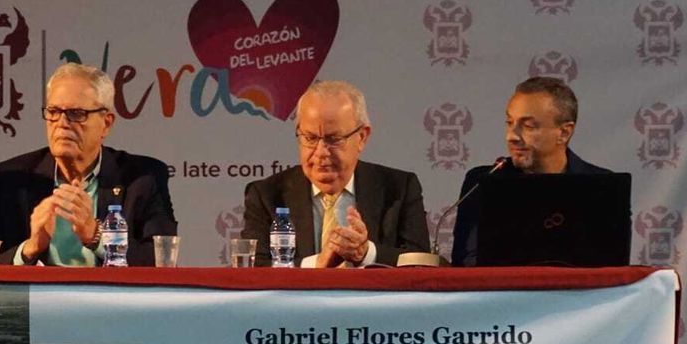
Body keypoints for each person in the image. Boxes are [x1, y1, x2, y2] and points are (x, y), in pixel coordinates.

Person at [0, 64, 176, 266]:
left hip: (109, 297)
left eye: (76, 113)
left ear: (106, 123)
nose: (62, 123)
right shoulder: (11, 179)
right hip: (37, 297)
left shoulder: (143, 178)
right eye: (54, 111)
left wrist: (96, 236)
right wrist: (30, 249)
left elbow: (162, 261)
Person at [241, 80, 429, 267]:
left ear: (362, 137)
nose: (321, 152)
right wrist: (317, 264)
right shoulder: (267, 195)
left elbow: (421, 263)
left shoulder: (398, 189)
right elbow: (255, 268)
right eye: (310, 138)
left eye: (334, 139)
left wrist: (366, 253)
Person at [450, 76, 612, 266]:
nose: (512, 136)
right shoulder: (484, 181)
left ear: (564, 132)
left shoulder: (603, 187)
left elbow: (609, 268)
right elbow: (467, 264)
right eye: (509, 123)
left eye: (528, 126)